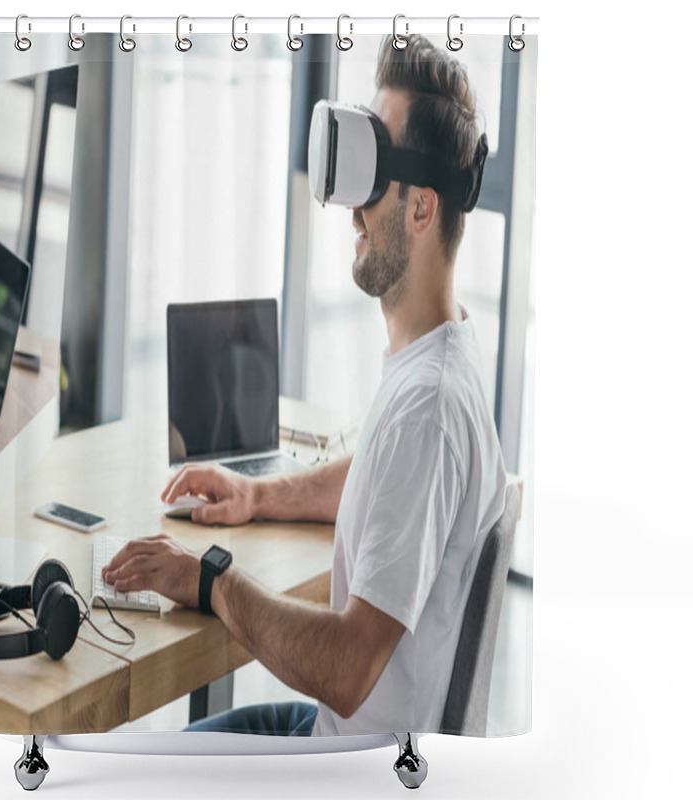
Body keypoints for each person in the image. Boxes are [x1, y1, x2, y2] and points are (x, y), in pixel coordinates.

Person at [103, 35, 507, 737]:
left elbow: (348, 670)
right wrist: (258, 495)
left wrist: (210, 578)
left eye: (374, 182)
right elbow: (382, 477)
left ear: (421, 209)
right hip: (338, 738)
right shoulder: (445, 353)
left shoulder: (429, 409)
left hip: (343, 767)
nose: (353, 211)